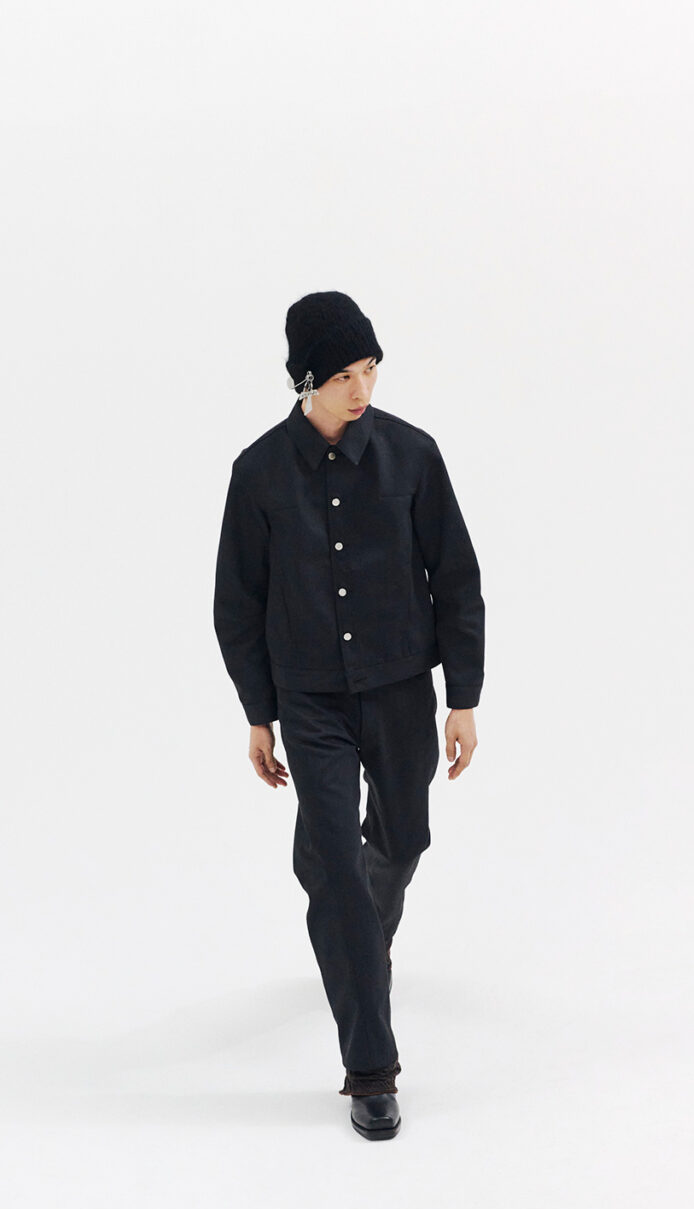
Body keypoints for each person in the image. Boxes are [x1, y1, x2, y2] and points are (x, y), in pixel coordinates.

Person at [212, 291, 484, 1140]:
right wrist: (259, 714)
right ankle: (371, 1067)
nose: (361, 389)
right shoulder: (258, 473)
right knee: (335, 866)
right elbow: (237, 604)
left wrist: (464, 698)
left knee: (401, 842)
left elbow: (457, 579)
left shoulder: (413, 456)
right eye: (341, 376)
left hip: (401, 691)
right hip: (311, 702)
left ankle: (359, 930)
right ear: (306, 382)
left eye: (369, 370)